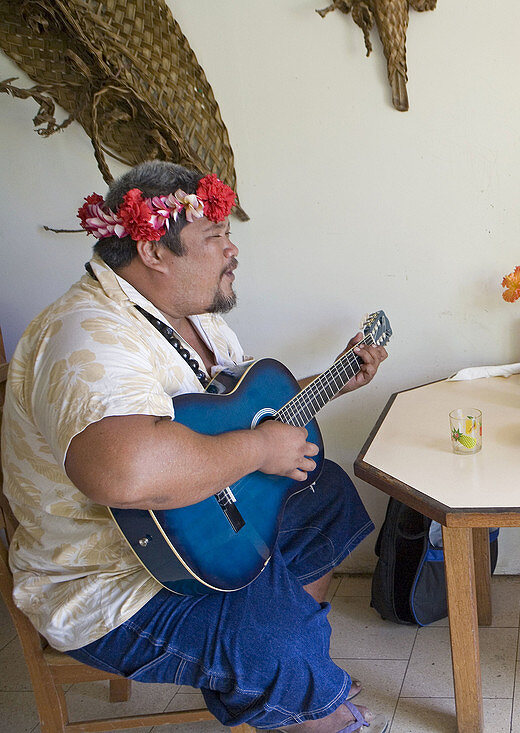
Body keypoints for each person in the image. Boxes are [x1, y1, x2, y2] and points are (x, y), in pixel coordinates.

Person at [1, 161, 389, 732]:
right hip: (113, 580)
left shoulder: (187, 316)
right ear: (155, 251)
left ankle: (290, 670)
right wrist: (258, 451)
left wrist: (331, 381)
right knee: (268, 630)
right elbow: (123, 474)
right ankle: (297, 683)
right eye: (216, 237)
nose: (232, 251)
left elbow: (225, 415)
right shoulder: (86, 336)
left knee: (321, 488)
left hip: (193, 525)